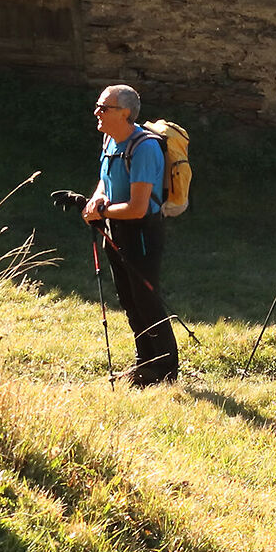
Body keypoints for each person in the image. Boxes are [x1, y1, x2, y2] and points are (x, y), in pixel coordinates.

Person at [83, 84, 177, 386]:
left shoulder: (145, 148)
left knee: (145, 299)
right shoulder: (110, 139)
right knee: (128, 299)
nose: (97, 112)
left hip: (141, 232)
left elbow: (138, 208)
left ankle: (165, 371)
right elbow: (105, 179)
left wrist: (102, 211)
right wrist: (97, 199)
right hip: (115, 228)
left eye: (104, 108)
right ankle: (144, 362)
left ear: (124, 113)